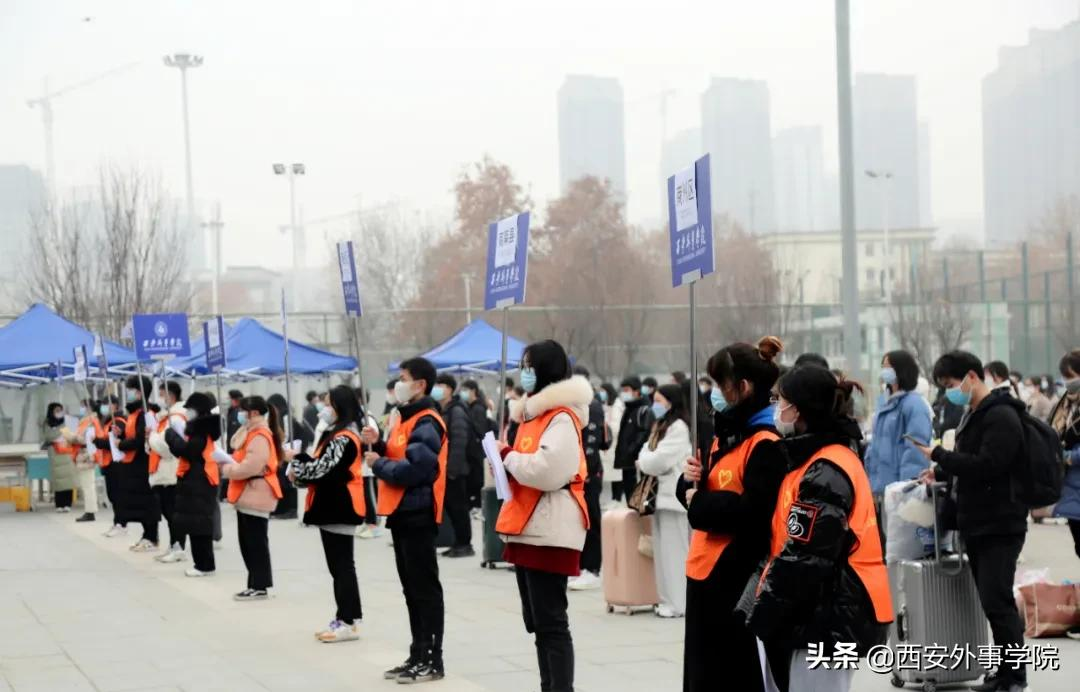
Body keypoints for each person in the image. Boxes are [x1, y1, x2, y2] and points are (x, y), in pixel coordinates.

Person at [737, 365, 892, 692]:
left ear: (800, 409)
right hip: (816, 611)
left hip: (831, 616)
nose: (776, 409)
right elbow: (785, 542)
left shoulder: (826, 469)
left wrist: (763, 612)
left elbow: (806, 557)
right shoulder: (808, 461)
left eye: (780, 401)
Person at [914, 350, 1028, 692]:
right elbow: (970, 461)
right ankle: (1003, 672)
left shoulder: (1002, 415)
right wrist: (939, 470)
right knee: (992, 600)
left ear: (972, 377)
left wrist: (940, 455)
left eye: (951, 384)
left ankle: (1015, 676)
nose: (951, 391)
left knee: (998, 600)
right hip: (978, 521)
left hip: (1001, 523)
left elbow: (988, 465)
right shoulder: (975, 414)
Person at [677, 337, 784, 692]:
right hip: (704, 572)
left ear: (743, 387)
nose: (714, 395)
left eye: (720, 386)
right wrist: (687, 483)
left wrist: (699, 503)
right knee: (701, 673)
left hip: (735, 579)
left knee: (730, 675)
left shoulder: (764, 444)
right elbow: (699, 492)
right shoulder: (725, 437)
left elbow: (752, 512)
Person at [495, 340, 591, 692]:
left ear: (547, 369)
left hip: (550, 526)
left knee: (551, 622)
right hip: (527, 524)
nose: (525, 372)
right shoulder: (532, 416)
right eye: (523, 365)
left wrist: (507, 458)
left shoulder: (562, 416)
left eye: (530, 365)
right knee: (537, 622)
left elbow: (550, 469)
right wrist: (503, 461)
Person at [361, 358, 447, 683]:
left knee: (424, 588)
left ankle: (432, 659)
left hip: (419, 512)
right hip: (401, 511)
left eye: (403, 378)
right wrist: (380, 444)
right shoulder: (404, 418)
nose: (398, 383)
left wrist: (379, 463)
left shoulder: (427, 421)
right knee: (411, 588)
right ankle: (417, 652)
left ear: (420, 384)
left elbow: (418, 470)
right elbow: (402, 455)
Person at [288, 385, 368, 641]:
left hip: (340, 506)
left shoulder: (345, 438)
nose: (325, 409)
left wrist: (297, 459)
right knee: (338, 566)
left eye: (330, 404)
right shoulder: (336, 434)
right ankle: (344, 616)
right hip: (332, 506)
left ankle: (349, 620)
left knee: (343, 566)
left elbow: (321, 469)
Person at [636, 383, 692, 618]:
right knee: (662, 553)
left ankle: (679, 603)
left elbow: (656, 461)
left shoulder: (679, 427)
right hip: (660, 498)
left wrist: (644, 456)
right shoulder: (663, 426)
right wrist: (646, 456)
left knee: (675, 553)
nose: (655, 405)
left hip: (673, 500)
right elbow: (647, 456)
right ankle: (667, 600)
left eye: (659, 400)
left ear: (671, 401)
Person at [221, 396, 284, 601]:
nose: (240, 414)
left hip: (257, 490)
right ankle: (254, 583)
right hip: (248, 492)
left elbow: (251, 466)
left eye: (244, 411)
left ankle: (260, 585)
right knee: (248, 541)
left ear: (254, 413)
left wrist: (227, 469)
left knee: (256, 542)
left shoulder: (260, 435)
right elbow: (235, 443)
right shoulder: (252, 431)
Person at [165, 392, 221, 577]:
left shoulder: (201, 432)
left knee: (199, 527)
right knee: (197, 525)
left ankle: (204, 565)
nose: (187, 412)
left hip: (200, 483)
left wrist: (172, 437)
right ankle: (203, 564)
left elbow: (188, 452)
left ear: (197, 410)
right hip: (197, 482)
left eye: (189, 409)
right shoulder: (201, 430)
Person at [865, 350, 933, 500]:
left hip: (899, 489)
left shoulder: (914, 405)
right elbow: (875, 445)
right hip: (880, 488)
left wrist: (907, 487)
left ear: (901, 369)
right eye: (882, 366)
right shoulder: (884, 403)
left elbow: (916, 450)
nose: (884, 371)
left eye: (887, 366)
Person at [569, 365, 609, 591]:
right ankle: (582, 565)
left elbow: (591, 445)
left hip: (589, 474)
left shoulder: (592, 406)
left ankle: (592, 568)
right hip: (576, 473)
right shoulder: (574, 405)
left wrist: (585, 473)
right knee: (580, 521)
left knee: (592, 520)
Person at [1049, 351, 1080, 639]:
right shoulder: (1066, 405)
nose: (1067, 383)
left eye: (1071, 377)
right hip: (1071, 490)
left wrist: (1068, 456)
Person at [114, 375, 163, 552]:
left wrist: (122, 444)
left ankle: (152, 536)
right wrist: (120, 434)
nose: (128, 393)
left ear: (140, 392)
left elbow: (141, 439)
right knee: (139, 502)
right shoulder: (134, 413)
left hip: (143, 463)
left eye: (131, 389)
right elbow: (132, 435)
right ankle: (146, 535)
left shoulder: (145, 413)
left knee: (148, 501)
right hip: (133, 464)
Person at [435, 373, 474, 557]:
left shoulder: (456, 411)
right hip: (445, 469)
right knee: (452, 507)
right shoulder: (444, 410)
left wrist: (451, 470)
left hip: (455, 470)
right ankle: (458, 542)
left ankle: (465, 544)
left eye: (441, 385)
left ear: (450, 389)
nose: (437, 389)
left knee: (459, 508)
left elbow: (460, 441)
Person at [147, 381, 186, 562]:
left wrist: (152, 437)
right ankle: (173, 545)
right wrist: (151, 439)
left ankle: (178, 547)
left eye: (162, 394)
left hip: (171, 471)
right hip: (162, 471)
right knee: (168, 511)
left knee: (173, 512)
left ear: (171, 395)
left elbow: (167, 447)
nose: (160, 398)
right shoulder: (165, 417)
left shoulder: (176, 417)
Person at [612, 376, 653, 504]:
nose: (624, 393)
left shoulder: (643, 410)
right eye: (622, 390)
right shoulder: (629, 408)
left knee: (636, 493)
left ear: (636, 391)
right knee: (629, 492)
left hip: (635, 460)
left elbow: (644, 432)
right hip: (627, 460)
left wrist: (631, 450)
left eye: (627, 389)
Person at [267, 393, 304, 520]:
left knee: (288, 482)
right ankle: (281, 509)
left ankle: (291, 510)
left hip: (288, 452)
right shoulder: (280, 417)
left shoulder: (286, 418)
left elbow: (287, 436)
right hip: (283, 453)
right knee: (282, 482)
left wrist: (279, 448)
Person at [73, 399, 108, 522]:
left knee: (88, 485)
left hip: (87, 455)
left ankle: (90, 511)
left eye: (83, 406)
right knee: (87, 484)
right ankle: (89, 510)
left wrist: (74, 438)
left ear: (89, 407)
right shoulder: (88, 420)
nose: (81, 409)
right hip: (86, 454)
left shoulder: (91, 421)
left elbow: (88, 439)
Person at [460, 379, 490, 512]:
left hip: (475, 450)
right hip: (472, 450)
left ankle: (477, 504)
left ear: (473, 391)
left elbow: (479, 430)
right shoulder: (470, 406)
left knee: (476, 478)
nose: (463, 393)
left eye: (465, 390)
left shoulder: (478, 408)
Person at [41, 402, 77, 513]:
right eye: (56, 410)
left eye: (60, 410)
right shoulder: (47, 422)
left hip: (66, 452)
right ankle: (59, 504)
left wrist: (64, 428)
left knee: (68, 479)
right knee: (58, 480)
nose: (58, 413)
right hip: (54, 453)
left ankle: (67, 503)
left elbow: (70, 436)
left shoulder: (66, 421)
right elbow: (49, 436)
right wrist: (61, 429)